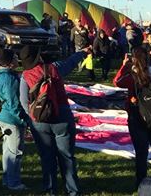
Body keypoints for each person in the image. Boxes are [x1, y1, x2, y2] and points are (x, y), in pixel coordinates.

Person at [20, 44, 89, 196]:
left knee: (47, 157)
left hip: (39, 122)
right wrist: (82, 53)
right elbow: (70, 63)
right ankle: (72, 190)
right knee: (67, 156)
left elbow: (24, 101)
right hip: (62, 117)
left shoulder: (25, 76)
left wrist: (33, 117)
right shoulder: (54, 68)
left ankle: (50, 189)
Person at [114, 47, 151, 192]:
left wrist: (124, 66)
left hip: (137, 117)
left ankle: (141, 184)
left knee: (141, 153)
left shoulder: (131, 77)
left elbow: (116, 82)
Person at [0, 48, 28, 191]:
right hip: (12, 119)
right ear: (10, 62)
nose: (17, 60)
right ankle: (14, 182)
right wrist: (22, 120)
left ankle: (7, 178)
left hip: (2, 116)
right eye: (14, 57)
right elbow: (13, 104)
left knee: (7, 149)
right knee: (15, 152)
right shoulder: (10, 78)